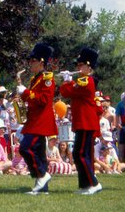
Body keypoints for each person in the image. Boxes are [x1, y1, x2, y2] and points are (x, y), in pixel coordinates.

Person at [15, 43, 58, 195]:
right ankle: (42, 188)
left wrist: (25, 93)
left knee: (25, 148)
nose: (30, 63)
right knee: (39, 154)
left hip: (40, 122)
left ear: (41, 62)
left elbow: (44, 100)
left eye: (33, 61)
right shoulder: (35, 79)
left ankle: (42, 175)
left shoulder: (48, 78)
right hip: (34, 120)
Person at [60, 47, 102, 195]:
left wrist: (67, 81)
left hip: (86, 123)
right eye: (77, 65)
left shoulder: (86, 80)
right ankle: (85, 185)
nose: (77, 68)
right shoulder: (82, 80)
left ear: (88, 66)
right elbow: (69, 93)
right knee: (79, 154)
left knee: (81, 154)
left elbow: (67, 92)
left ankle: (93, 183)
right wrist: (69, 82)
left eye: (80, 65)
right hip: (82, 123)